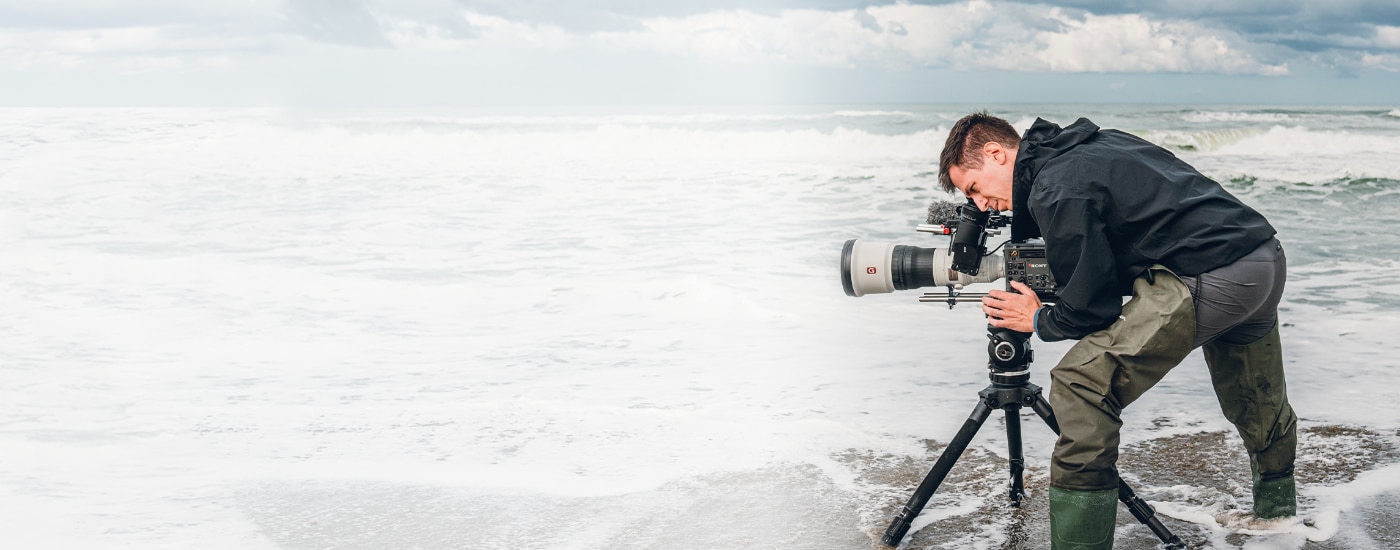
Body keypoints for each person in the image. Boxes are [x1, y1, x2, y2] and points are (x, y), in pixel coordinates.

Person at [937, 112, 1297, 549]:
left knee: (1080, 385)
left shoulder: (1056, 186)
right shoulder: (1092, 145)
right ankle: (1276, 516)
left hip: (1213, 274)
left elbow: (1091, 308)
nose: (979, 203)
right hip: (1263, 260)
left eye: (974, 187)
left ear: (996, 154)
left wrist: (1036, 319)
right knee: (1255, 395)